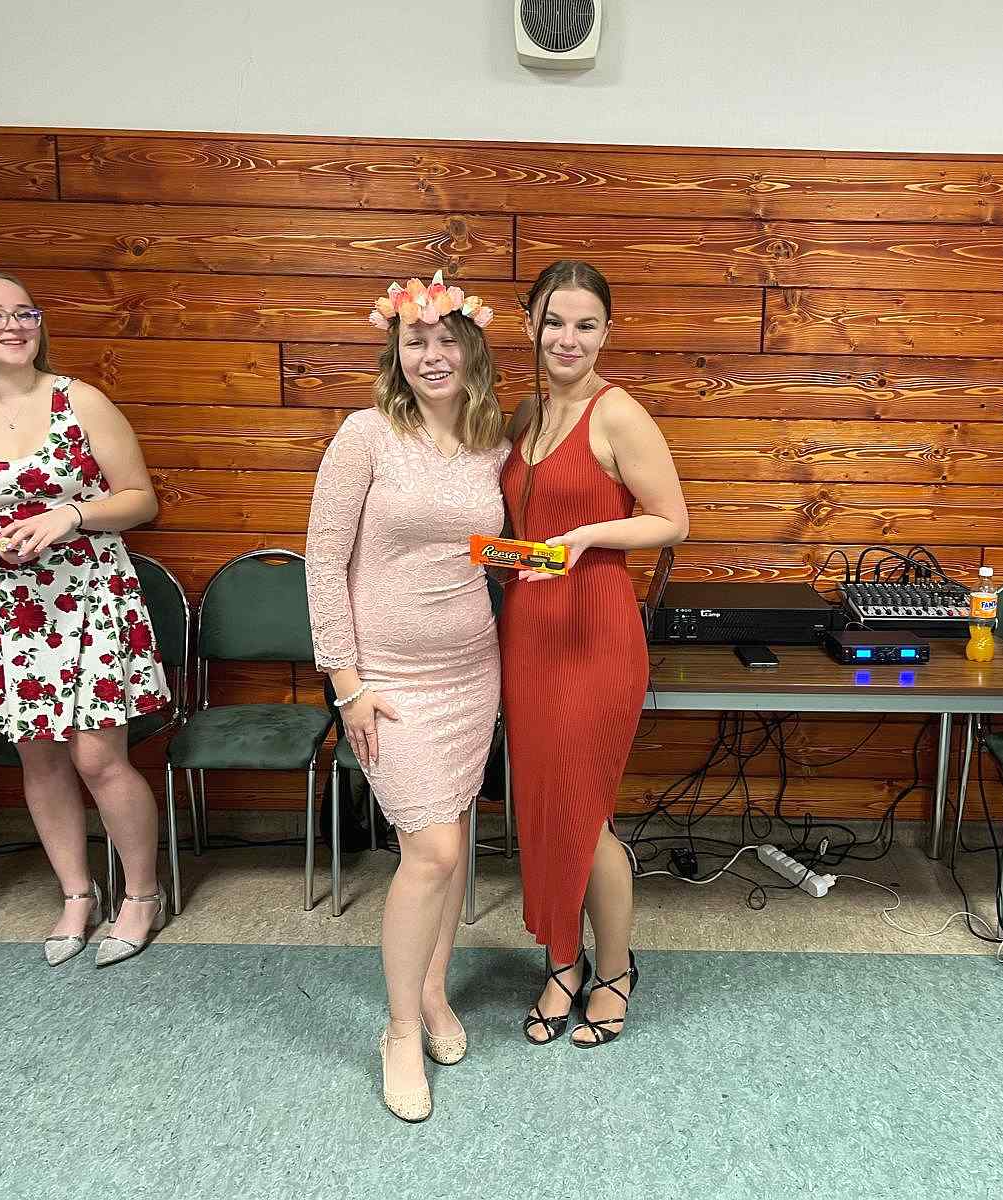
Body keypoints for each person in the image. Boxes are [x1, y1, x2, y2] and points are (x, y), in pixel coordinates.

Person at [0, 270, 170, 968]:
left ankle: (142, 894)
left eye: (24, 313)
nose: (12, 325)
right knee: (40, 757)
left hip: (91, 593)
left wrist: (72, 515)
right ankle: (76, 893)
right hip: (10, 607)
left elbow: (140, 498)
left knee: (97, 756)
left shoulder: (78, 399)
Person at [306, 272, 505, 1122]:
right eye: (415, 340)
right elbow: (323, 561)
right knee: (430, 852)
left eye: (446, 339)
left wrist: (546, 560)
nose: (431, 354)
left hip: (472, 671)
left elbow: (481, 548)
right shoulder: (367, 435)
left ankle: (432, 990)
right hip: (386, 682)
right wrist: (345, 683)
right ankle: (397, 1029)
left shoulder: (493, 442)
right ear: (395, 351)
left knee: (453, 845)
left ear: (472, 350)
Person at [500, 260, 688, 1048]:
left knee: (584, 812)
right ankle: (561, 962)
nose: (567, 338)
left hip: (596, 633)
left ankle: (612, 969)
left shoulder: (619, 414)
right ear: (531, 326)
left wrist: (589, 535)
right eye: (554, 321)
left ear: (608, 331)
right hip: (528, 632)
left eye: (585, 324)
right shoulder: (526, 412)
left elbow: (672, 519)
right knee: (543, 809)